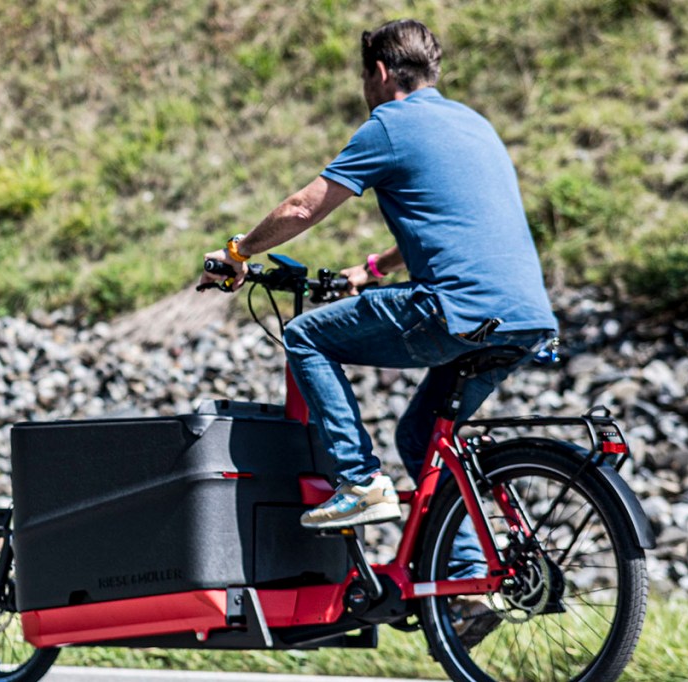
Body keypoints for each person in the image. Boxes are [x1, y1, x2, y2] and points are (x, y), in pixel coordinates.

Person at [201, 19, 557, 532]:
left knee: (305, 336)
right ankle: (461, 581)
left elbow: (304, 208)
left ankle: (361, 483)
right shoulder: (474, 123)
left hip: (455, 310)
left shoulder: (390, 124)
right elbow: (455, 224)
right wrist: (372, 270)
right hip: (526, 318)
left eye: (365, 78)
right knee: (420, 439)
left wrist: (239, 251)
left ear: (382, 72)